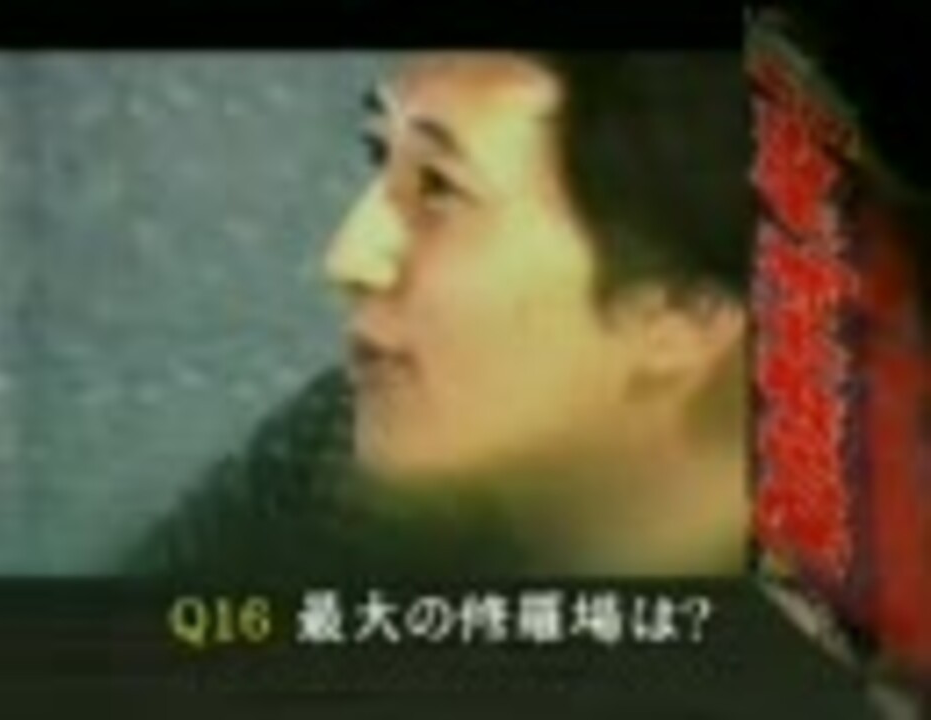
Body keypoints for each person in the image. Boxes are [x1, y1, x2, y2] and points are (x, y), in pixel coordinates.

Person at [124, 51, 751, 580]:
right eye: (380, 155)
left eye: (440, 189)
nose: (348, 258)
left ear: (684, 312)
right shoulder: (333, 457)